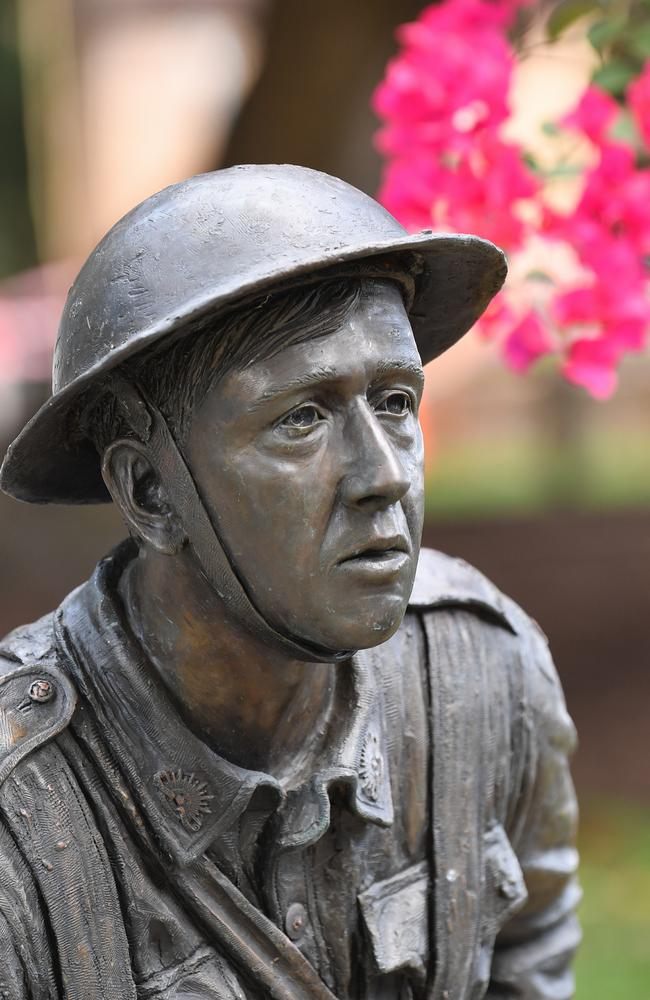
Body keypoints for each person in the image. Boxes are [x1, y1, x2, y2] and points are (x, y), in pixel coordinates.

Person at [0, 165, 579, 1000]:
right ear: (151, 492)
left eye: (394, 402)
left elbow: (530, 953)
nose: (384, 477)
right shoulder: (22, 823)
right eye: (301, 418)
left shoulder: (483, 677)